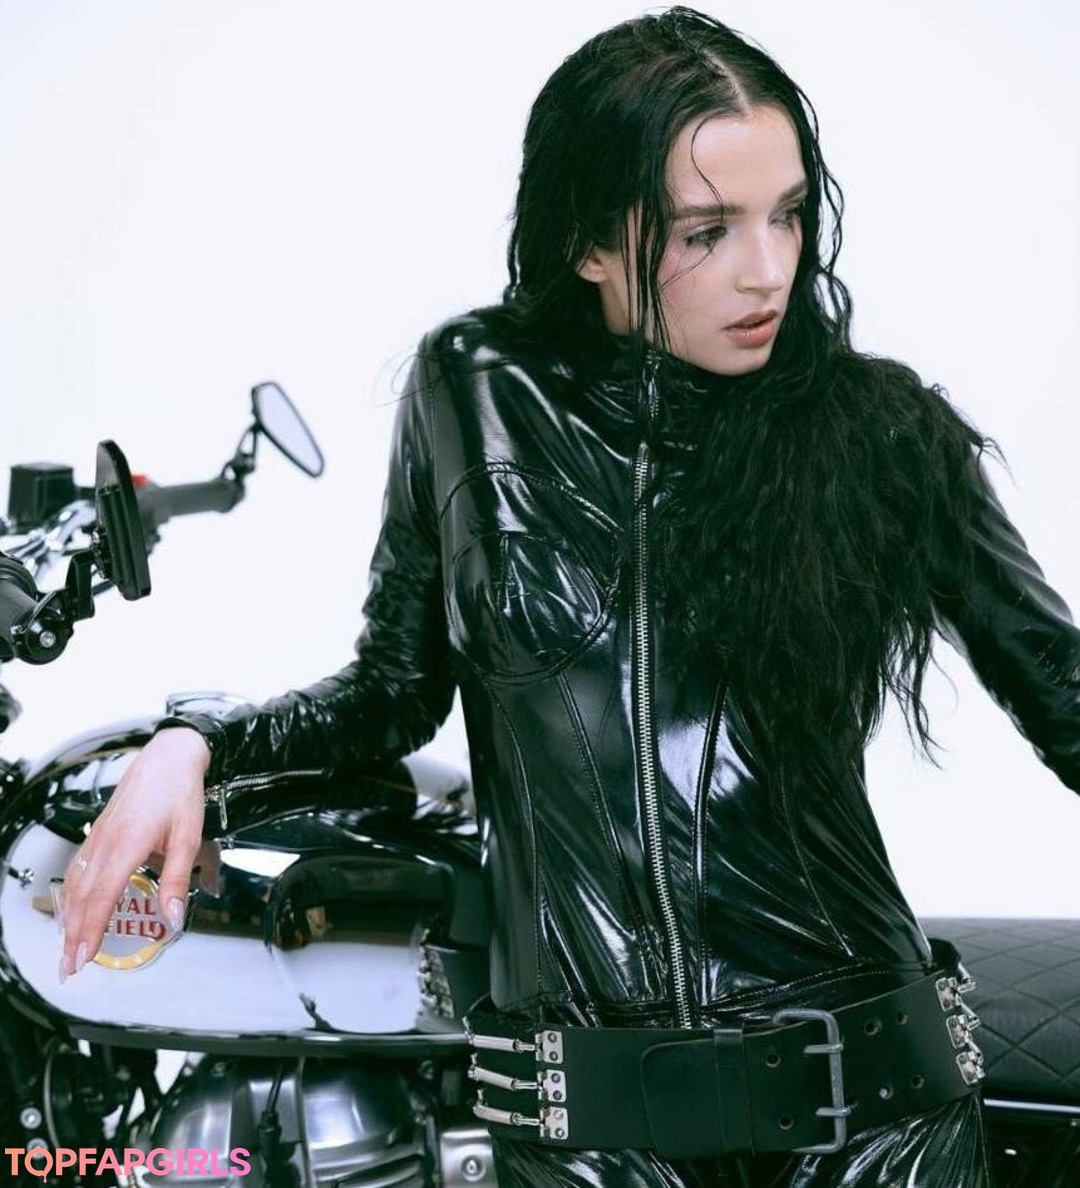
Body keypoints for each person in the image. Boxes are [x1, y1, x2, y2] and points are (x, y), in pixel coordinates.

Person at [55, 7, 1080, 1184]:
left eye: (789, 215)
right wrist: (195, 744)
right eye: (707, 231)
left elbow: (1062, 691)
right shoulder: (476, 390)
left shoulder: (882, 431)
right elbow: (393, 693)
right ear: (587, 241)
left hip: (870, 1118)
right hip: (588, 1133)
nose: (767, 269)